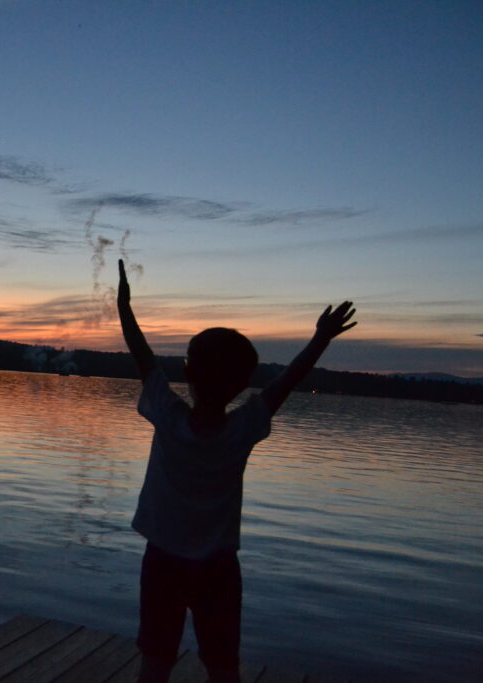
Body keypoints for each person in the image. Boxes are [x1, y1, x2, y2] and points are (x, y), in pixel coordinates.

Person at [116, 259, 356, 683]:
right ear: (243, 385)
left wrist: (124, 306)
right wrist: (321, 338)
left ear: (187, 371)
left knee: (155, 661)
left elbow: (142, 354)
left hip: (163, 563)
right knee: (223, 666)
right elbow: (288, 381)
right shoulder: (243, 428)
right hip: (218, 568)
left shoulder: (167, 415)